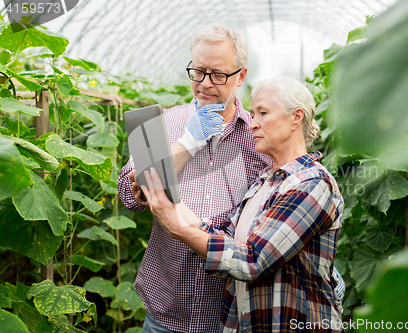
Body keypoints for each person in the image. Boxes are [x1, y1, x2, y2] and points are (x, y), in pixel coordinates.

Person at [140, 77, 344, 333]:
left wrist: (178, 228)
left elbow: (252, 261)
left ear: (296, 117)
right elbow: (223, 236)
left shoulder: (311, 183)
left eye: (263, 113)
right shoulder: (265, 181)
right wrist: (167, 200)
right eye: (253, 113)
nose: (253, 123)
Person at [118, 23, 271, 333]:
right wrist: (186, 143)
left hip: (230, 315)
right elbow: (126, 193)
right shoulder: (164, 122)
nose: (204, 84)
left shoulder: (258, 139)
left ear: (241, 76)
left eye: (218, 75)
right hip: (167, 310)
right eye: (198, 71)